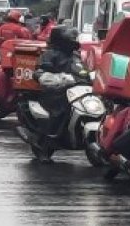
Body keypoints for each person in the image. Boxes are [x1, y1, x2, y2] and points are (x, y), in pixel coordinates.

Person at [29, 25, 89, 162]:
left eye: (75, 37)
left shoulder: (75, 55)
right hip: (55, 93)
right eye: (71, 38)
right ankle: (44, 147)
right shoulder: (50, 54)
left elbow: (83, 70)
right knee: (57, 114)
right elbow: (40, 72)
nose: (74, 40)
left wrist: (90, 76)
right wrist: (57, 78)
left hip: (76, 90)